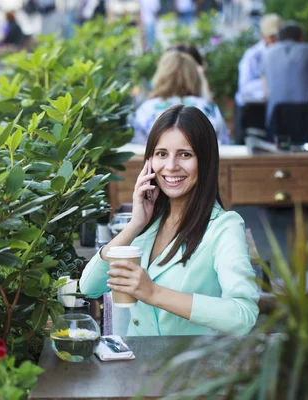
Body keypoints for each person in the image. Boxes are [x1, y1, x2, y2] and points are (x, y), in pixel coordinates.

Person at [80, 105, 259, 336]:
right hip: (134, 366)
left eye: (185, 154)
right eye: (161, 154)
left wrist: (153, 293)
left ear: (204, 161)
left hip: (190, 370)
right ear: (149, 161)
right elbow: (89, 288)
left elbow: (243, 315)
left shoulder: (224, 227)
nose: (171, 166)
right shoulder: (147, 226)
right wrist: (134, 225)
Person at [133, 50, 229, 145]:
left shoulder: (145, 109)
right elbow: (224, 145)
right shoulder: (209, 108)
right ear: (194, 77)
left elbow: (137, 149)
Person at [262, 22, 308, 124]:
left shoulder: (267, 55)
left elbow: (266, 94)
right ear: (301, 38)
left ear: (279, 38)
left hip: (277, 123)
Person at [235, 13, 282, 106]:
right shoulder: (252, 55)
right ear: (263, 36)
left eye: (278, 36)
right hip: (253, 107)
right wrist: (269, 83)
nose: (276, 40)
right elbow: (244, 87)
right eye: (272, 36)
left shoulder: (283, 54)